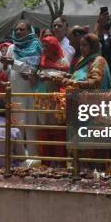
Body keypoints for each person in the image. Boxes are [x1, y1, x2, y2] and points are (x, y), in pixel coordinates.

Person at [3, 20, 42, 154]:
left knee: (31, 126)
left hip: (30, 91)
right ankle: (18, 158)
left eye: (22, 29)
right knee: (17, 126)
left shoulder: (35, 46)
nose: (18, 32)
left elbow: (32, 69)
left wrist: (14, 63)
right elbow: (7, 71)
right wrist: (4, 65)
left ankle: (33, 158)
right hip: (15, 91)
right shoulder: (11, 48)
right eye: (17, 30)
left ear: (29, 31)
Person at [34, 36, 69, 164]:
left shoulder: (63, 61)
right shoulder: (42, 60)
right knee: (44, 131)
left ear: (54, 47)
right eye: (42, 46)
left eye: (46, 46)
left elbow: (66, 78)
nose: (43, 49)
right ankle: (46, 163)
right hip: (43, 102)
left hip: (57, 102)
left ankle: (60, 164)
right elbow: (37, 74)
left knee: (57, 132)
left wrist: (50, 77)